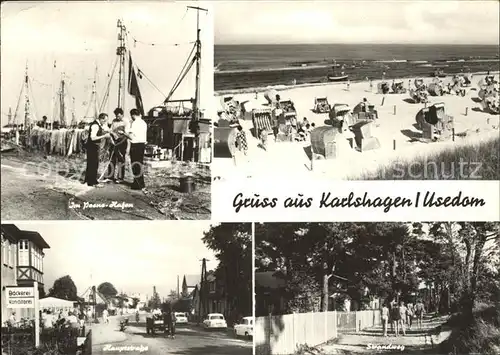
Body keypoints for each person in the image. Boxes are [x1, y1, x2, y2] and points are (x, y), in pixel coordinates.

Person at [84, 113, 110, 187]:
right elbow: (93, 138)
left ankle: (88, 180)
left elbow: (106, 129)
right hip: (92, 146)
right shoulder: (95, 125)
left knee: (91, 164)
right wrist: (104, 136)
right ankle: (93, 182)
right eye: (104, 121)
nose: (104, 122)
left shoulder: (98, 124)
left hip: (92, 146)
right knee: (94, 164)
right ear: (101, 119)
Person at [105, 108, 128, 183]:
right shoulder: (114, 121)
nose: (117, 117)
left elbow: (127, 133)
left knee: (121, 160)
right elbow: (110, 130)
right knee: (112, 159)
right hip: (113, 142)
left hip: (122, 142)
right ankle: (110, 177)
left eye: (118, 116)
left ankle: (120, 178)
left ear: (122, 114)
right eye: (116, 116)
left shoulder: (126, 121)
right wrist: (113, 134)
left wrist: (121, 135)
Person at [126, 109, 147, 192]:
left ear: (133, 115)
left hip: (135, 145)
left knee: (135, 165)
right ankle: (138, 183)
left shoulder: (135, 123)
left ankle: (138, 184)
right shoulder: (143, 123)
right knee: (139, 164)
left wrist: (124, 133)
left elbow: (130, 136)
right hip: (142, 145)